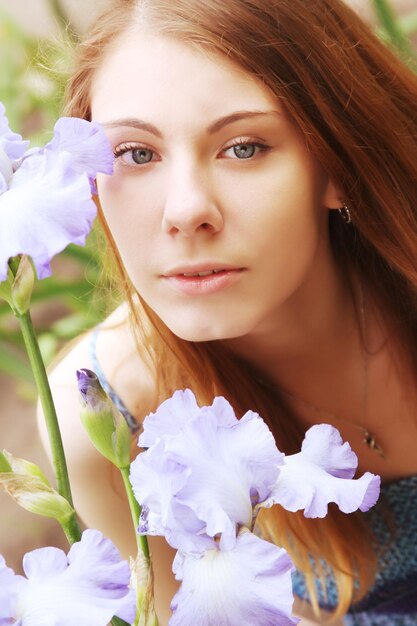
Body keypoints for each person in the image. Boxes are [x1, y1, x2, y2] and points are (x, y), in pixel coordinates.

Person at [37, 0, 417, 624]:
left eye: (243, 147)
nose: (186, 210)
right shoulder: (104, 419)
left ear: (337, 163)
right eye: (135, 154)